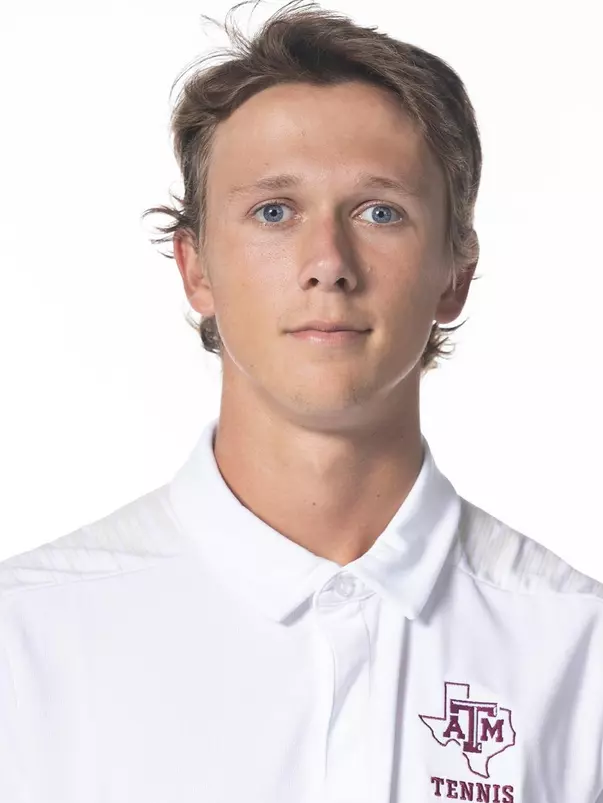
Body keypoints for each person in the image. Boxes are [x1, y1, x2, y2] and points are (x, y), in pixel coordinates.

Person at [2, 1, 602, 801]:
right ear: (196, 268)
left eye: (379, 211)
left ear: (454, 273)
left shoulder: (577, 653)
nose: (327, 262)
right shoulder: (26, 645)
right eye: (273, 212)